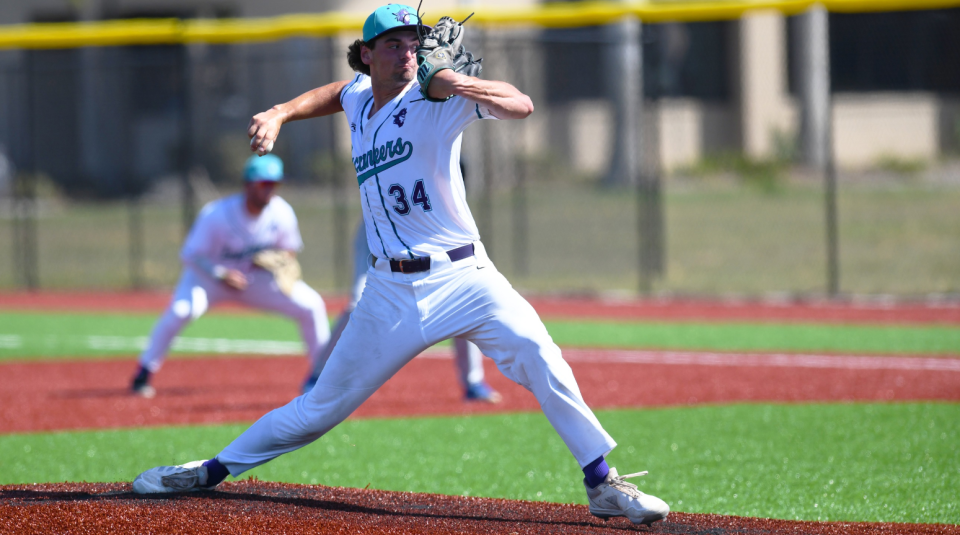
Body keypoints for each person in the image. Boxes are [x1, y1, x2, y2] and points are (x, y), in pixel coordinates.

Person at [132, 5, 669, 526]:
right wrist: (279, 113)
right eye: (394, 44)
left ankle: (602, 483)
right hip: (391, 289)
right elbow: (334, 93)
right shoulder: (361, 96)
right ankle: (209, 471)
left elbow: (520, 105)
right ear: (366, 55)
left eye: (414, 42)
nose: (409, 52)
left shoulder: (437, 97)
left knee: (540, 356)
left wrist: (456, 81)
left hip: (467, 278)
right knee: (320, 408)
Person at [130, 154, 331, 398]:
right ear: (248, 184)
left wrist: (278, 262)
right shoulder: (216, 214)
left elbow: (288, 250)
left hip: (255, 280)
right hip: (208, 278)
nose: (270, 189)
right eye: (264, 184)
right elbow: (191, 255)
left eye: (274, 184)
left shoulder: (282, 213)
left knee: (311, 305)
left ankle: (323, 376)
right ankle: (144, 371)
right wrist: (221, 273)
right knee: (182, 311)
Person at [301, 218, 502, 404]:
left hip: (426, 233)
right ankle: (318, 377)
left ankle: (473, 383)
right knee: (358, 305)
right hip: (379, 230)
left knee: (458, 302)